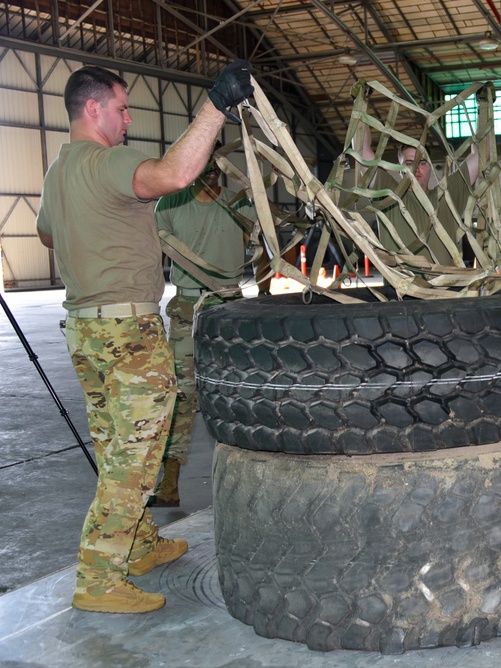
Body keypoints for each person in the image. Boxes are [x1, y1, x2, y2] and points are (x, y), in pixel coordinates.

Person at [35, 62, 253, 613]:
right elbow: (177, 173)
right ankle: (99, 576)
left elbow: (45, 232)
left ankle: (137, 544)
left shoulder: (58, 171)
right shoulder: (109, 163)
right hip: (127, 331)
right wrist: (216, 107)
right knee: (134, 461)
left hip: (86, 329)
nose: (129, 118)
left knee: (117, 448)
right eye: (123, 107)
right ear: (94, 109)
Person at [152, 153, 255, 507]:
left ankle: (245, 476)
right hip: (187, 310)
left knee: (236, 392)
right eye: (204, 168)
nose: (211, 175)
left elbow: (260, 246)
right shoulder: (170, 203)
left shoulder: (237, 202)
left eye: (216, 167)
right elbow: (155, 253)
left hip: (229, 308)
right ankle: (170, 481)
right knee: (181, 393)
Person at [353, 124, 486, 265]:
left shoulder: (447, 196)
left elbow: (480, 156)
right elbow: (361, 151)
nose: (416, 169)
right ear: (399, 168)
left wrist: (482, 106)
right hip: (401, 286)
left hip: (448, 285)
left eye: (422, 163)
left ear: (430, 167)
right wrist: (361, 105)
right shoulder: (388, 194)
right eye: (409, 163)